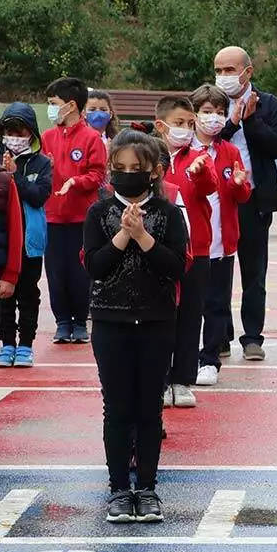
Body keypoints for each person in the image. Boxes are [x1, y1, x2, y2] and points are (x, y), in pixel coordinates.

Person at [83, 129, 189, 524]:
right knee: (118, 409)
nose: (127, 175)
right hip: (111, 322)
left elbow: (176, 267)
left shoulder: (168, 213)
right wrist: (122, 235)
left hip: (157, 321)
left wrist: (142, 235)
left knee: (149, 409)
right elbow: (95, 266)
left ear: (154, 171)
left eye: (136, 169)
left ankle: (146, 488)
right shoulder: (99, 213)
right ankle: (117, 490)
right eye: (120, 168)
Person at [213, 46, 277, 361]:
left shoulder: (268, 104)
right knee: (216, 270)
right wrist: (231, 122)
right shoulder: (211, 104)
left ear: (248, 72)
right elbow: (208, 140)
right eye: (219, 70)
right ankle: (219, 335)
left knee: (254, 273)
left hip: (255, 199)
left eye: (230, 70)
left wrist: (250, 121)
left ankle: (252, 337)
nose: (224, 77)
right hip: (217, 200)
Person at [153, 96, 218, 409]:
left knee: (191, 316)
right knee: (162, 315)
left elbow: (210, 187)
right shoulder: (149, 157)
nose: (186, 129)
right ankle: (161, 379)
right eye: (179, 123)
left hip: (198, 249)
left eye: (190, 124)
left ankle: (182, 380)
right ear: (161, 125)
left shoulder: (201, 155)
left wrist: (201, 171)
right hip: (159, 251)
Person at [188, 85, 251, 388]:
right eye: (207, 112)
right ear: (195, 115)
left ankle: (209, 359)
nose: (214, 118)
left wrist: (240, 185)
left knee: (216, 303)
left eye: (220, 112)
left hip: (220, 243)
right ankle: (183, 358)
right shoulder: (182, 151)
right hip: (187, 243)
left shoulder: (230, 151)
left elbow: (241, 195)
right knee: (187, 304)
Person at [43, 76, 107, 345]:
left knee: (80, 272)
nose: (50, 108)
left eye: (53, 103)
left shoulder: (92, 138)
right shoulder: (46, 137)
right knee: (56, 272)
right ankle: (62, 322)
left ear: (70, 106)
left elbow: (98, 174)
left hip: (82, 218)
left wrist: (76, 182)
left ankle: (80, 321)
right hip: (53, 218)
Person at [0, 104, 48, 368]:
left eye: (19, 131)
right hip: (3, 241)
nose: (13, 136)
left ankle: (26, 344)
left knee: (28, 293)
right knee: (4, 294)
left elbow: (40, 195)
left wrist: (16, 176)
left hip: (30, 242)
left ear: (31, 133)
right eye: (8, 131)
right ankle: (6, 344)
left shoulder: (42, 163)